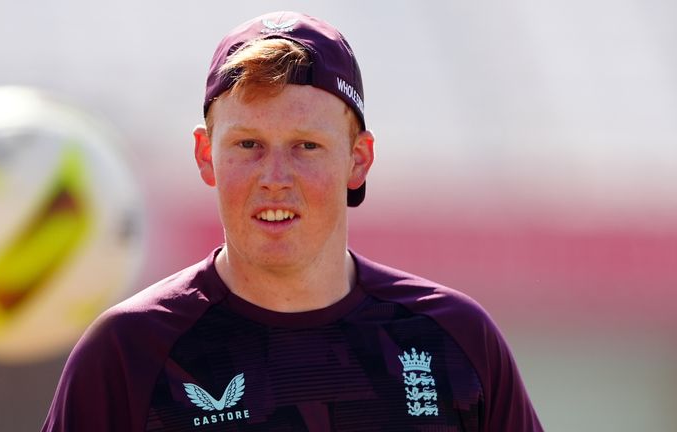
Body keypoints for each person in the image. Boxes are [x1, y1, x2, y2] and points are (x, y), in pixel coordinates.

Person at [42, 11, 543, 431]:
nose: (275, 177)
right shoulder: (128, 352)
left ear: (358, 159)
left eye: (307, 145)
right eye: (247, 145)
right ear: (205, 155)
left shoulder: (455, 337)